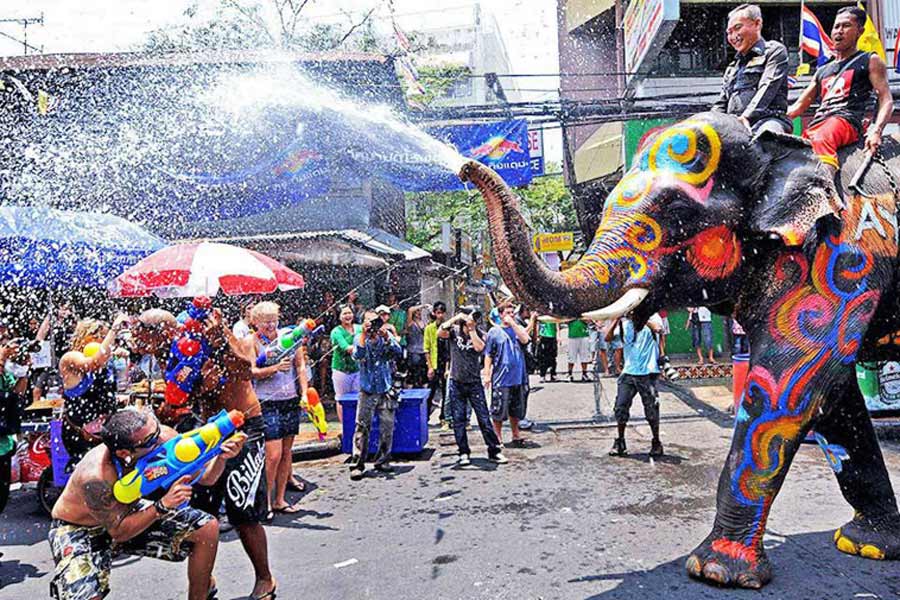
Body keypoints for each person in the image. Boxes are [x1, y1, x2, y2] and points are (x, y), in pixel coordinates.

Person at [48, 407, 245, 600]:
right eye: (151, 440)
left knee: (206, 528)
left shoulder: (164, 437)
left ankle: (200, 593)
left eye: (157, 429)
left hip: (130, 513)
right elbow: (119, 532)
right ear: (125, 452)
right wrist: (162, 506)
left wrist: (221, 456)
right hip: (79, 528)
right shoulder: (96, 477)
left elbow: (207, 478)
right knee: (85, 596)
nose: (160, 438)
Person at [188, 307, 277, 600]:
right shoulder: (187, 346)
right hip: (208, 430)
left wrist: (221, 338)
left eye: (209, 322)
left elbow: (245, 369)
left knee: (242, 509)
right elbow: (186, 391)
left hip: (244, 426)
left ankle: (265, 578)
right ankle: (205, 582)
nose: (204, 327)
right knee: (202, 511)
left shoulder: (231, 338)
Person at [787, 6, 894, 174]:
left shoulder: (870, 60)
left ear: (860, 31)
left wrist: (876, 130)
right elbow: (799, 106)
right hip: (819, 124)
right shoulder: (822, 70)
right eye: (836, 26)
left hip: (846, 121)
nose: (839, 31)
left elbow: (886, 99)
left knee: (823, 137)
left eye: (846, 26)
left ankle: (825, 194)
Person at [250, 302, 306, 517]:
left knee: (285, 453)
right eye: (266, 322)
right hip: (267, 401)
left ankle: (280, 499)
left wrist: (305, 392)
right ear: (256, 323)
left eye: (274, 320)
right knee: (272, 455)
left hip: (290, 399)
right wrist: (273, 368)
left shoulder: (290, 336)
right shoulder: (253, 341)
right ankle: (264, 502)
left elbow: (300, 365)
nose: (271, 325)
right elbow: (251, 371)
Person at [58, 315, 129, 472]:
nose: (106, 341)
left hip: (104, 430)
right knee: (90, 475)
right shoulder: (71, 357)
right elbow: (94, 363)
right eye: (102, 337)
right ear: (88, 336)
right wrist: (114, 329)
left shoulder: (105, 358)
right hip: (81, 432)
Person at [439, 309, 507, 466]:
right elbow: (439, 332)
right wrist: (456, 317)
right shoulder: (454, 332)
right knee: (458, 419)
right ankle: (463, 452)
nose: (473, 319)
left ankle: (494, 451)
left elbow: (479, 348)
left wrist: (471, 330)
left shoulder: (480, 333)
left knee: (484, 418)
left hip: (474, 383)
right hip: (456, 382)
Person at [712, 4, 791, 134]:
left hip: (768, 120)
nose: (733, 36)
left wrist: (746, 116)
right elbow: (721, 103)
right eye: (729, 32)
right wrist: (708, 122)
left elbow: (768, 87)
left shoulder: (774, 51)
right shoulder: (732, 67)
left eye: (738, 28)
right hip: (734, 125)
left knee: (766, 138)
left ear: (757, 24)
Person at [349, 310, 403, 480]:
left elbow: (398, 352)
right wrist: (364, 335)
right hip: (367, 389)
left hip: (385, 388)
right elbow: (358, 355)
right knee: (362, 427)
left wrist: (387, 336)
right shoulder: (359, 337)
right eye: (369, 321)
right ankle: (357, 463)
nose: (373, 325)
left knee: (387, 426)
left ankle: (383, 460)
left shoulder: (384, 337)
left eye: (375, 321)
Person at [608, 313, 665, 458]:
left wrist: (641, 317)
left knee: (651, 409)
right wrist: (616, 319)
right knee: (620, 407)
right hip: (629, 372)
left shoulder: (652, 317)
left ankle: (656, 442)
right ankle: (620, 441)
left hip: (648, 372)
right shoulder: (625, 324)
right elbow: (607, 338)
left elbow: (658, 329)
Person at [483, 302, 531, 447]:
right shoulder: (494, 332)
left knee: (516, 409)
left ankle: (515, 434)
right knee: (498, 410)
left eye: (512, 313)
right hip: (501, 378)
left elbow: (525, 339)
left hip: (518, 377)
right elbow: (488, 354)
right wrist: (486, 374)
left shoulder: (518, 329)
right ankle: (497, 437)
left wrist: (514, 325)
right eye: (508, 313)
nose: (511, 315)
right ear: (501, 314)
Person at [330, 305, 361, 423]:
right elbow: (346, 347)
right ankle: (345, 427)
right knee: (341, 399)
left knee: (358, 398)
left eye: (349, 313)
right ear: (339, 317)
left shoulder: (359, 328)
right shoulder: (336, 332)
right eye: (344, 314)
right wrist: (362, 349)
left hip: (357, 369)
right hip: (341, 370)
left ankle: (356, 424)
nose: (348, 316)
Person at [424, 301, 450, 427]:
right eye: (438, 313)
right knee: (431, 391)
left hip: (444, 363)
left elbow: (449, 351)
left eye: (442, 313)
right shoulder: (429, 328)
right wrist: (429, 367)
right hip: (434, 364)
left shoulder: (448, 328)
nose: (440, 315)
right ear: (434, 313)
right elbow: (426, 349)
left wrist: (448, 368)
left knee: (446, 392)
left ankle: (444, 417)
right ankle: (425, 416)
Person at [404, 304, 429, 388]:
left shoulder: (423, 322)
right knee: (413, 374)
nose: (419, 313)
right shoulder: (411, 323)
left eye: (419, 311)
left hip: (423, 351)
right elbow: (410, 309)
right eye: (417, 311)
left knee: (424, 375)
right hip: (413, 351)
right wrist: (423, 306)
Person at [566, 318, 592, 382]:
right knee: (571, 356)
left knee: (585, 356)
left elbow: (589, 320)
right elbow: (565, 321)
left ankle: (584, 374)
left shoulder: (584, 311)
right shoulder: (570, 312)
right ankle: (569, 374)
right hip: (572, 336)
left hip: (584, 335)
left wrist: (583, 319)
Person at [537, 318, 559, 382]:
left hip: (552, 336)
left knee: (553, 357)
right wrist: (538, 336)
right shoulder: (542, 314)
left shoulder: (553, 314)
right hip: (543, 336)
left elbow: (557, 323)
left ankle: (553, 374)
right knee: (543, 358)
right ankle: (542, 375)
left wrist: (558, 336)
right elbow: (538, 324)